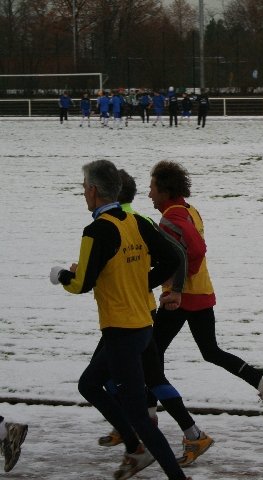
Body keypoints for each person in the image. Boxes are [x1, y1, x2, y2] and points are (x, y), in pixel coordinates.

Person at [49, 160, 192, 480]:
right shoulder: (135, 222)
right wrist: (144, 282)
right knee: (89, 384)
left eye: (85, 187)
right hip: (142, 324)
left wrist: (61, 275)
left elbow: (82, 283)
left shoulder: (96, 231)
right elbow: (173, 257)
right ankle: (133, 447)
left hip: (121, 331)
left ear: (95, 191)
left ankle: (171, 472)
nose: (84, 193)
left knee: (139, 416)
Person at [147, 160, 263, 423]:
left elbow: (196, 250)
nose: (149, 193)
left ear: (165, 189)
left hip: (181, 298)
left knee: (151, 353)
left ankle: (148, 413)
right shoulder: (189, 209)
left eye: (152, 187)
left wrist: (178, 283)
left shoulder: (171, 218)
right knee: (210, 351)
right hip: (201, 293)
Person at [94, 169, 214, 468]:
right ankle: (161, 430)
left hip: (126, 316)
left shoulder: (115, 225)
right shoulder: (140, 220)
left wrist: (172, 287)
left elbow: (178, 256)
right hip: (140, 310)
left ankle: (138, 434)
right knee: (148, 375)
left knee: (99, 380)